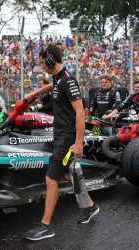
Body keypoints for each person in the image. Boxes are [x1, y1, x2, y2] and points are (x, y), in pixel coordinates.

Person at [22, 44, 99, 241]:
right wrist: (34, 94)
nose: (41, 67)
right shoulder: (58, 78)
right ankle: (90, 206)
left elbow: (81, 113)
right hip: (59, 133)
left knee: (51, 178)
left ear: (50, 61)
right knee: (66, 174)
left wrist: (79, 143)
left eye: (42, 63)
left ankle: (46, 226)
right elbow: (52, 86)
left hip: (67, 137)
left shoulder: (68, 81)